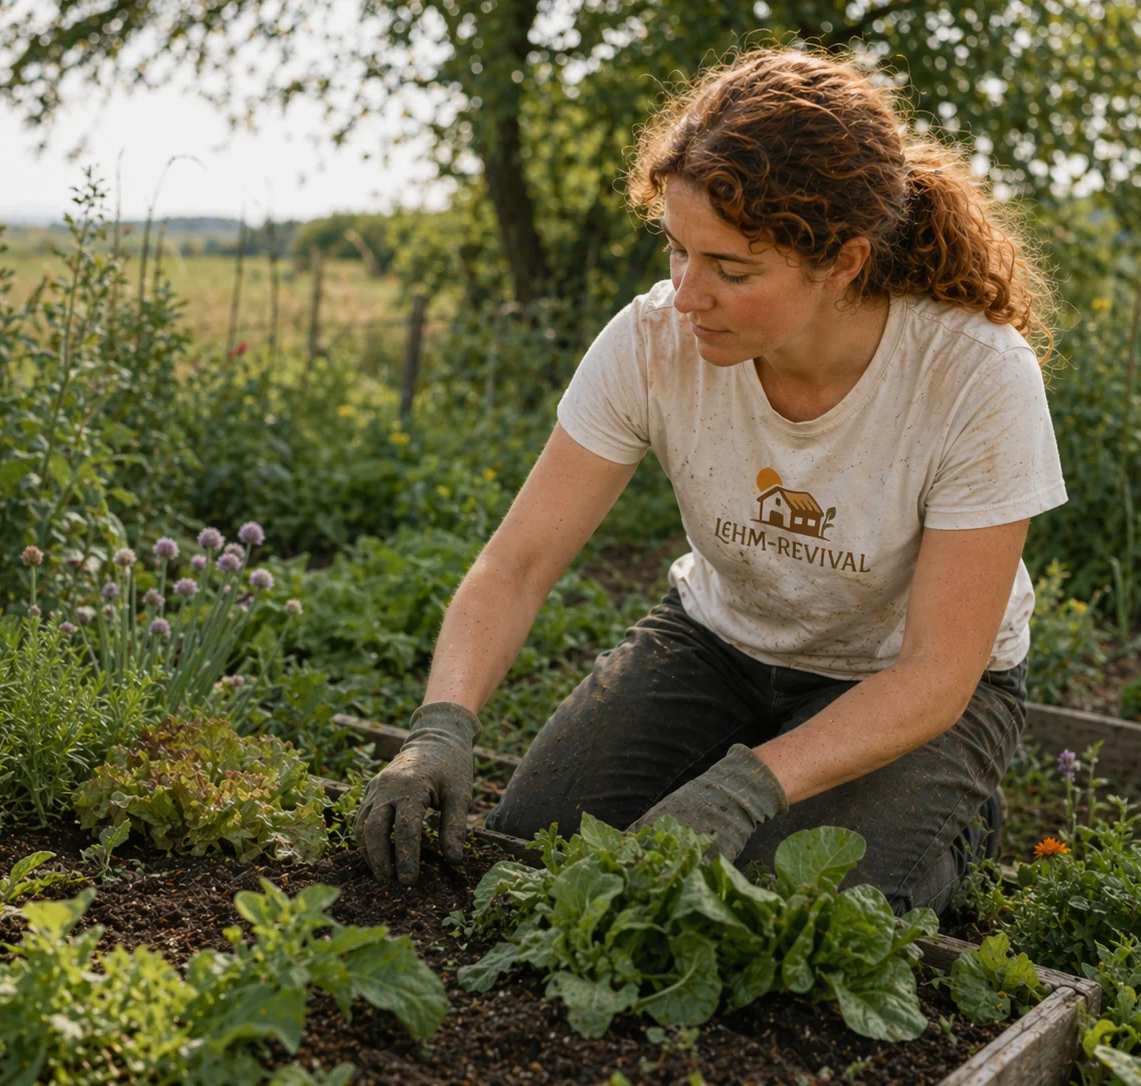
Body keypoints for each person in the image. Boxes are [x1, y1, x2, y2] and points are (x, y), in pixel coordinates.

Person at [355, 46, 1067, 914]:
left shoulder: (974, 374)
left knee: (780, 901)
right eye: (676, 250)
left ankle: (953, 821)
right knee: (535, 841)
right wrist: (441, 726)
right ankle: (767, 748)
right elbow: (517, 566)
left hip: (906, 690)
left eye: (731, 270)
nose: (688, 293)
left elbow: (936, 676)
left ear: (842, 262)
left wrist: (745, 787)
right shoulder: (653, 343)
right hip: (720, 645)